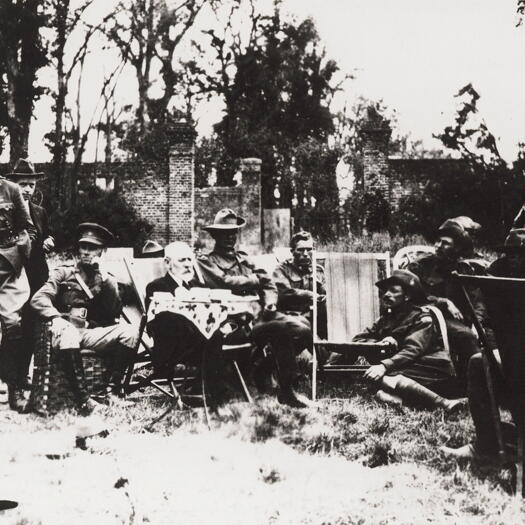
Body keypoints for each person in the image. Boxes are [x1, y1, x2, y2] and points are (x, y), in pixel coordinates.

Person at [197, 208, 312, 408]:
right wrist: (254, 280)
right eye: (225, 233)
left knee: (303, 329)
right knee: (281, 330)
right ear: (215, 235)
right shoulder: (207, 261)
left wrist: (270, 302)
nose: (230, 237)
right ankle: (286, 390)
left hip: (260, 313)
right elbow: (226, 282)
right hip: (233, 320)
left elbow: (268, 281)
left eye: (233, 232)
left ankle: (264, 371)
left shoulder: (243, 257)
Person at [30, 223, 139, 412]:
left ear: (102, 252)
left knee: (130, 332)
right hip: (61, 332)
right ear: (78, 249)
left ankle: (112, 393)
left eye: (93, 248)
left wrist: (108, 282)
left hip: (87, 333)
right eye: (84, 247)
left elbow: (113, 314)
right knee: (70, 332)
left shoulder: (105, 278)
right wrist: (55, 318)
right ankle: (84, 400)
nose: (87, 252)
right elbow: (38, 298)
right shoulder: (63, 272)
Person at [355, 269, 461, 410]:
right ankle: (407, 403)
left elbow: (412, 350)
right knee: (380, 388)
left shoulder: (422, 318)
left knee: (386, 378)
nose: (386, 294)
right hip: (406, 367)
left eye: (393, 291)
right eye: (386, 291)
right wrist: (378, 343)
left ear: (407, 296)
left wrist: (384, 366)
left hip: (432, 368)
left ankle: (444, 403)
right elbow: (358, 339)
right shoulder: (386, 319)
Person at [408, 219, 489, 384]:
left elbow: (477, 300)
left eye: (445, 243)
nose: (438, 245)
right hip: (429, 317)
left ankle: (501, 384)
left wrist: (478, 322)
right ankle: (476, 387)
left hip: (462, 320)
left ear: (458, 247)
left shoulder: (465, 268)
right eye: (437, 241)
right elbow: (412, 295)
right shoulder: (422, 265)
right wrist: (443, 302)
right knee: (466, 336)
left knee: (493, 335)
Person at [145, 241, 224, 398]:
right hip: (173, 346)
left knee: (218, 333)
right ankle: (212, 391)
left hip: (197, 343)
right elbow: (157, 325)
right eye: (182, 260)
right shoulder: (157, 286)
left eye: (190, 259)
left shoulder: (198, 286)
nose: (188, 265)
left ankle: (206, 388)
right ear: (168, 263)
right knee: (212, 337)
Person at [5, 159, 55, 398]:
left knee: (31, 328)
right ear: (13, 185)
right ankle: (10, 378)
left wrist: (46, 243)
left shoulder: (40, 212)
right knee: (12, 326)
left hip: (35, 276)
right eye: (22, 184)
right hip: (11, 275)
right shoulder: (6, 210)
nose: (27, 189)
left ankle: (22, 376)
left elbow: (42, 237)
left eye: (31, 185)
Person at [0, 168, 37, 411]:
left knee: (12, 325)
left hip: (7, 266)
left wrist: (17, 255)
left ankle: (14, 390)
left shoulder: (10, 190)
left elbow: (29, 229)